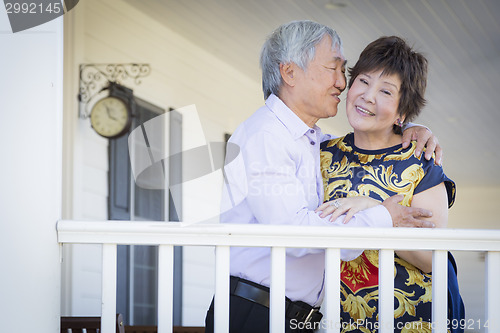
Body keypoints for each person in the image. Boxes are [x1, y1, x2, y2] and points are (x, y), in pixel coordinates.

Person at [205, 21, 441, 333]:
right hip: (256, 313)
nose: (342, 83)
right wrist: (381, 216)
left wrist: (412, 129)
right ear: (289, 73)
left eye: (344, 71)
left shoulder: (315, 142)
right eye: (334, 68)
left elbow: (371, 142)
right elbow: (294, 231)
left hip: (300, 317)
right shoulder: (266, 136)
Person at [318, 36, 465, 332]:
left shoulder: (422, 161)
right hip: (340, 320)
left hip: (410, 320)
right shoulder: (321, 156)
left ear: (403, 112)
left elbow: (430, 259)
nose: (368, 96)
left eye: (386, 91)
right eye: (363, 81)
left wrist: (375, 210)